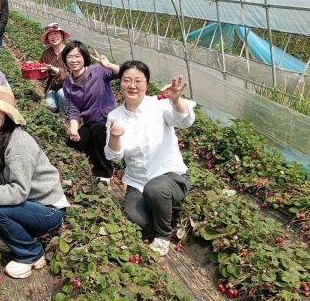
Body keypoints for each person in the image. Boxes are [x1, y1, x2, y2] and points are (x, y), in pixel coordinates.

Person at [0, 86, 68, 279]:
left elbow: (19, 192)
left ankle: (31, 253)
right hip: (32, 203)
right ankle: (20, 235)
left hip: (49, 210)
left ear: (8, 114)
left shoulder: (19, 143)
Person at [105, 61, 195, 256]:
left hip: (170, 176)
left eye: (138, 81)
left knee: (156, 188)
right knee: (137, 219)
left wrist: (176, 101)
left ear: (146, 84)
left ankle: (163, 235)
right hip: (138, 182)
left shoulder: (160, 105)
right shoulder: (114, 116)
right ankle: (161, 207)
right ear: (120, 83)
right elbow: (114, 155)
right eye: (127, 80)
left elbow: (185, 121)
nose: (132, 85)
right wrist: (114, 136)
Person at [62, 41, 120, 190]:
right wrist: (73, 131)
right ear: (65, 59)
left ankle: (104, 173)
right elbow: (73, 110)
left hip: (109, 122)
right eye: (70, 57)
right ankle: (100, 151)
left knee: (97, 132)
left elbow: (121, 73)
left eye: (77, 56)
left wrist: (109, 65)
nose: (74, 60)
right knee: (73, 144)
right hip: (90, 122)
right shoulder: (68, 85)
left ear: (84, 57)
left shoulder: (98, 71)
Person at [38, 23, 70, 118]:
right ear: (47, 38)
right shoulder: (46, 53)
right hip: (53, 88)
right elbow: (41, 76)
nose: (53, 37)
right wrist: (34, 67)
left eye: (56, 33)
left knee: (62, 94)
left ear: (62, 35)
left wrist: (53, 68)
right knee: (51, 106)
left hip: (70, 87)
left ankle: (64, 115)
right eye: (50, 35)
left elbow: (71, 74)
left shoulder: (69, 51)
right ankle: (61, 103)